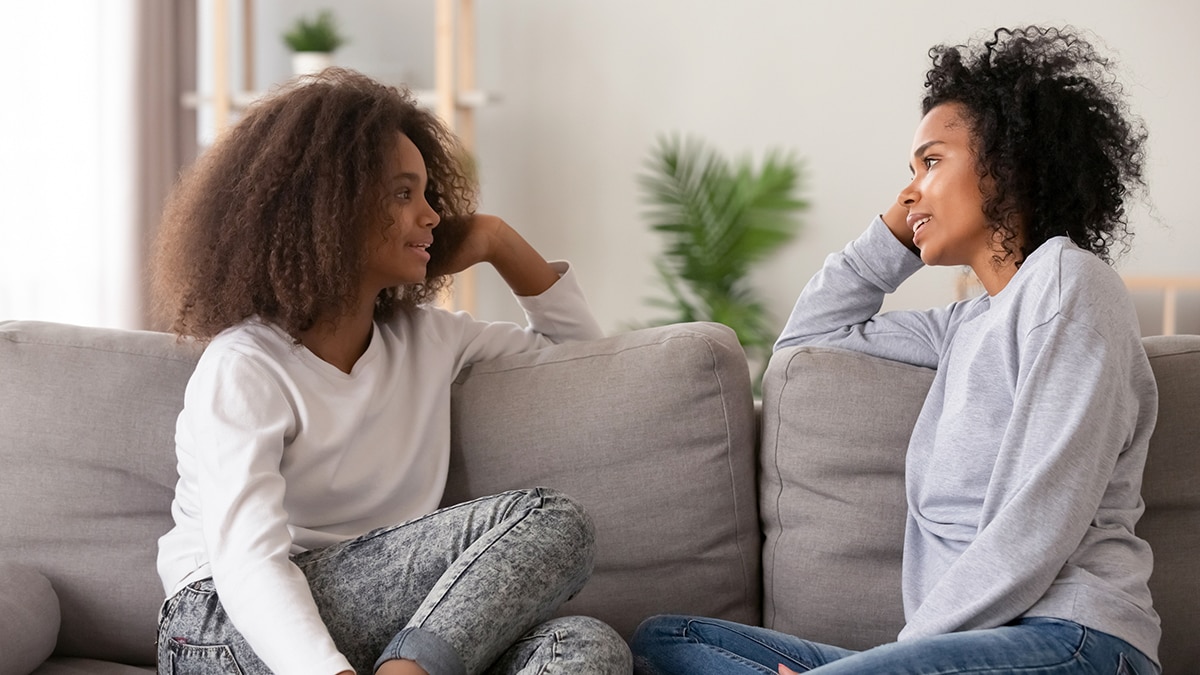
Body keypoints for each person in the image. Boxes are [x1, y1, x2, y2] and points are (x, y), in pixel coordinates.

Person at [631, 25, 1160, 675]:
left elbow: (1038, 524)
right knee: (669, 638)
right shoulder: (963, 325)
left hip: (1073, 639)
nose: (911, 192)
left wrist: (900, 658)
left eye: (931, 161)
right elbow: (808, 341)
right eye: (909, 171)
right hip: (956, 648)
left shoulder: (1070, 281)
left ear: (1009, 163)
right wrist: (894, 234)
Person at [151, 68, 631, 675]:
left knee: (584, 646)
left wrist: (498, 242)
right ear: (326, 208)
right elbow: (249, 562)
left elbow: (585, 363)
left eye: (429, 194)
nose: (432, 216)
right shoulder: (244, 365)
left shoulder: (431, 338)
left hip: (386, 629)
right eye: (403, 194)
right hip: (223, 628)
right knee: (554, 522)